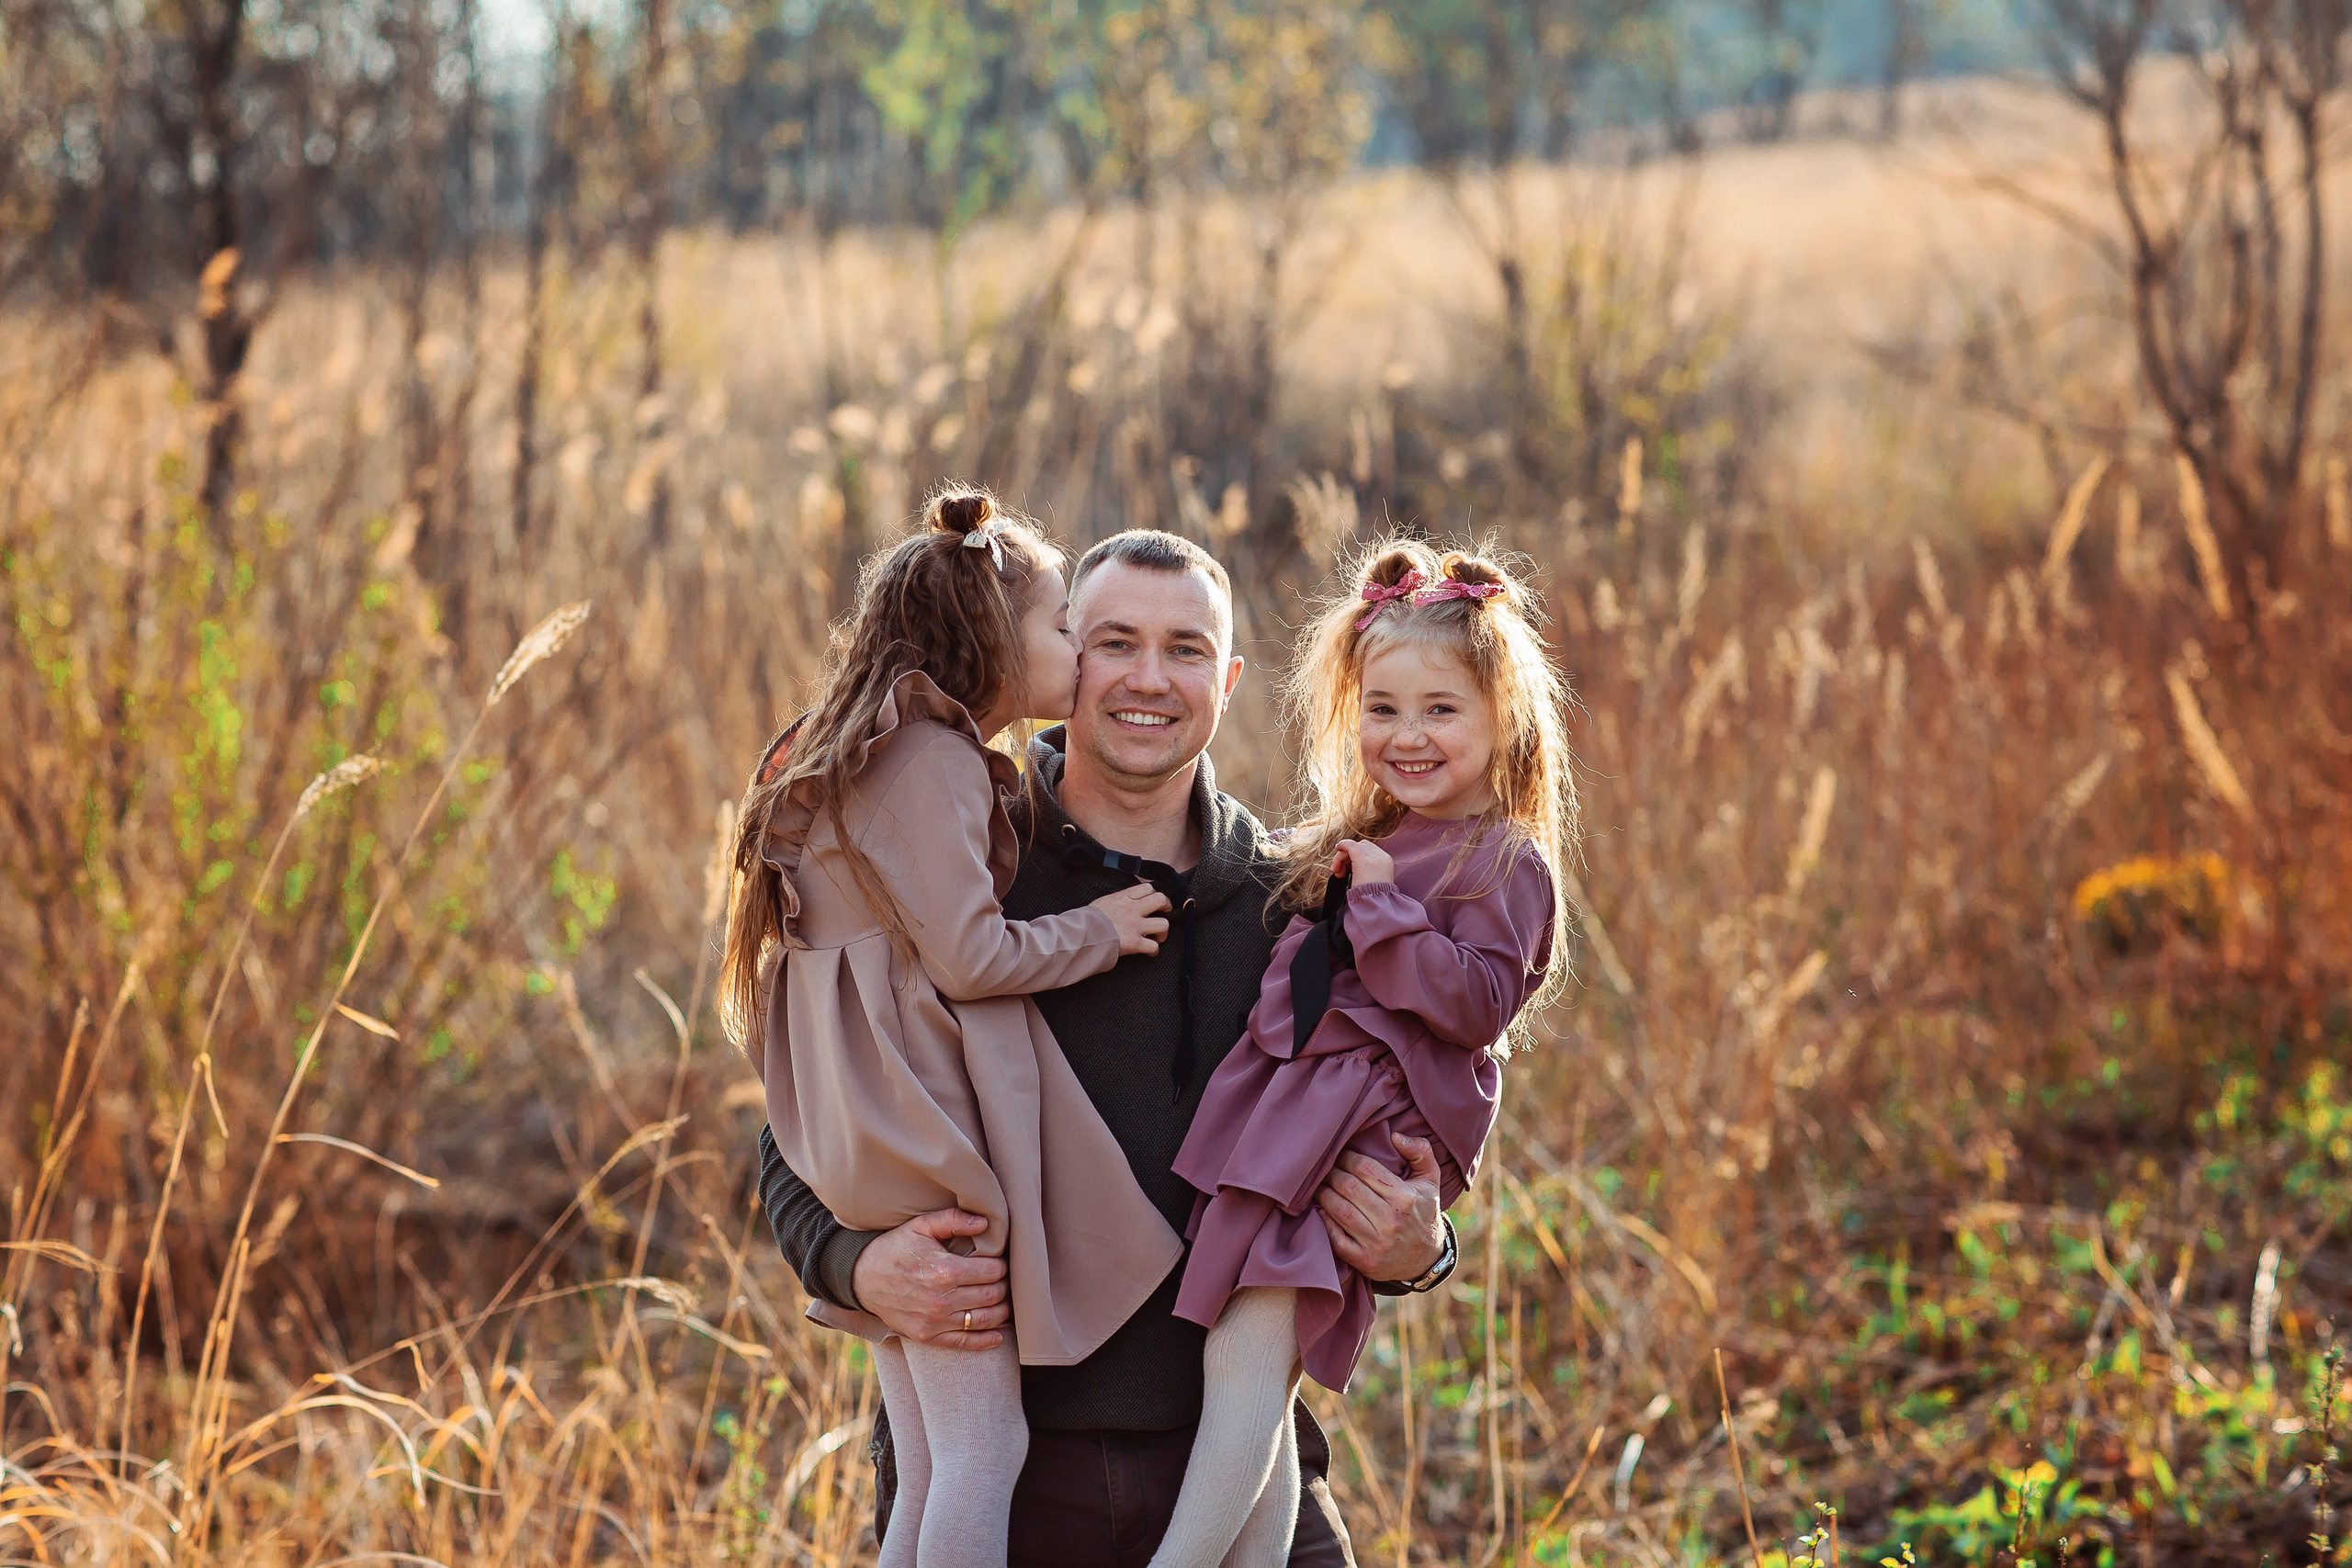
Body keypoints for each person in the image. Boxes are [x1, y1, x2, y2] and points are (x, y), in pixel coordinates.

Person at [757, 528, 1463, 1567]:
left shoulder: (1301, 907)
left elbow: (1397, 1122)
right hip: (1005, 1481)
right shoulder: (960, 871)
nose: (1147, 677)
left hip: (1230, 1471)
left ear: (1225, 681)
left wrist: (1422, 1248)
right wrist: (860, 1264)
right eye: (1114, 641)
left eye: (1184, 650)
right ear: (1055, 658)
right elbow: (805, 1124)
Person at [720, 488, 1182, 1568]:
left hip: (872, 1136)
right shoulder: (926, 758)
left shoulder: (864, 748)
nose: (1075, 647)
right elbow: (971, 958)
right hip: (927, 1140)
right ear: (992, 636)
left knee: (933, 1459)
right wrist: (1102, 930)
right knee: (983, 1452)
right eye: (1064, 625)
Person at [1144, 541, 1574, 1566]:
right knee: (1250, 1368)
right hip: (1289, 1128)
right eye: (1381, 708)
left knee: (1250, 1359)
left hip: (1355, 1144)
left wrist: (1374, 905)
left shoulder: (1505, 860)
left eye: (1440, 710)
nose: (1407, 736)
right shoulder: (1363, 838)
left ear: (1502, 719)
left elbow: (1473, 1005)